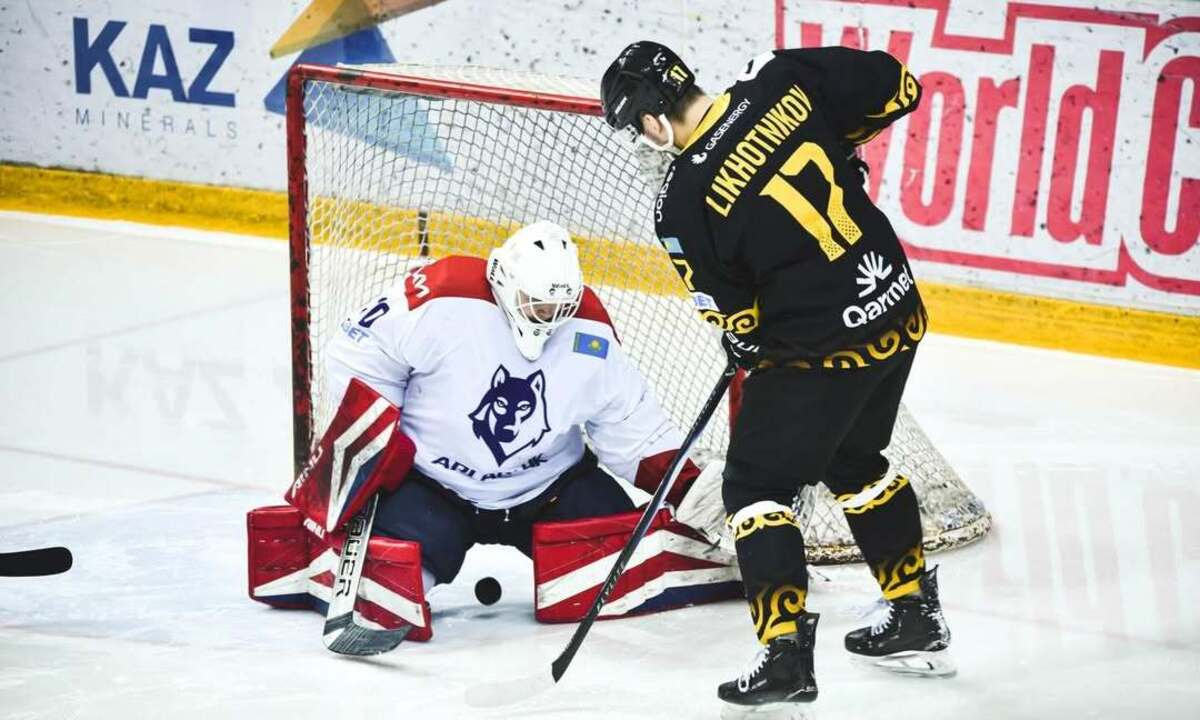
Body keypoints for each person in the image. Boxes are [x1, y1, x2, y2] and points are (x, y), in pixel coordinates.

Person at [600, 41, 953, 710]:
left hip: (823, 345)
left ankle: (784, 655)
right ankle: (913, 613)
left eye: (637, 128)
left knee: (755, 486)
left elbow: (740, 321)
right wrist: (842, 142)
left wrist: (746, 340)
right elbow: (898, 88)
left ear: (650, 119)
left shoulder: (681, 201)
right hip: (894, 307)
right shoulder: (781, 78)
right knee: (853, 458)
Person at [247, 220, 738, 640]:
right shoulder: (444, 295)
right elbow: (358, 352)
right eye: (533, 302)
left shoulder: (589, 333)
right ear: (502, 278)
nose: (545, 316)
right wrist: (377, 439)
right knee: (392, 587)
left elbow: (629, 428)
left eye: (557, 307)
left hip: (549, 489)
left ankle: (747, 553)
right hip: (432, 487)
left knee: (628, 563)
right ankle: (322, 555)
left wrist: (687, 484)